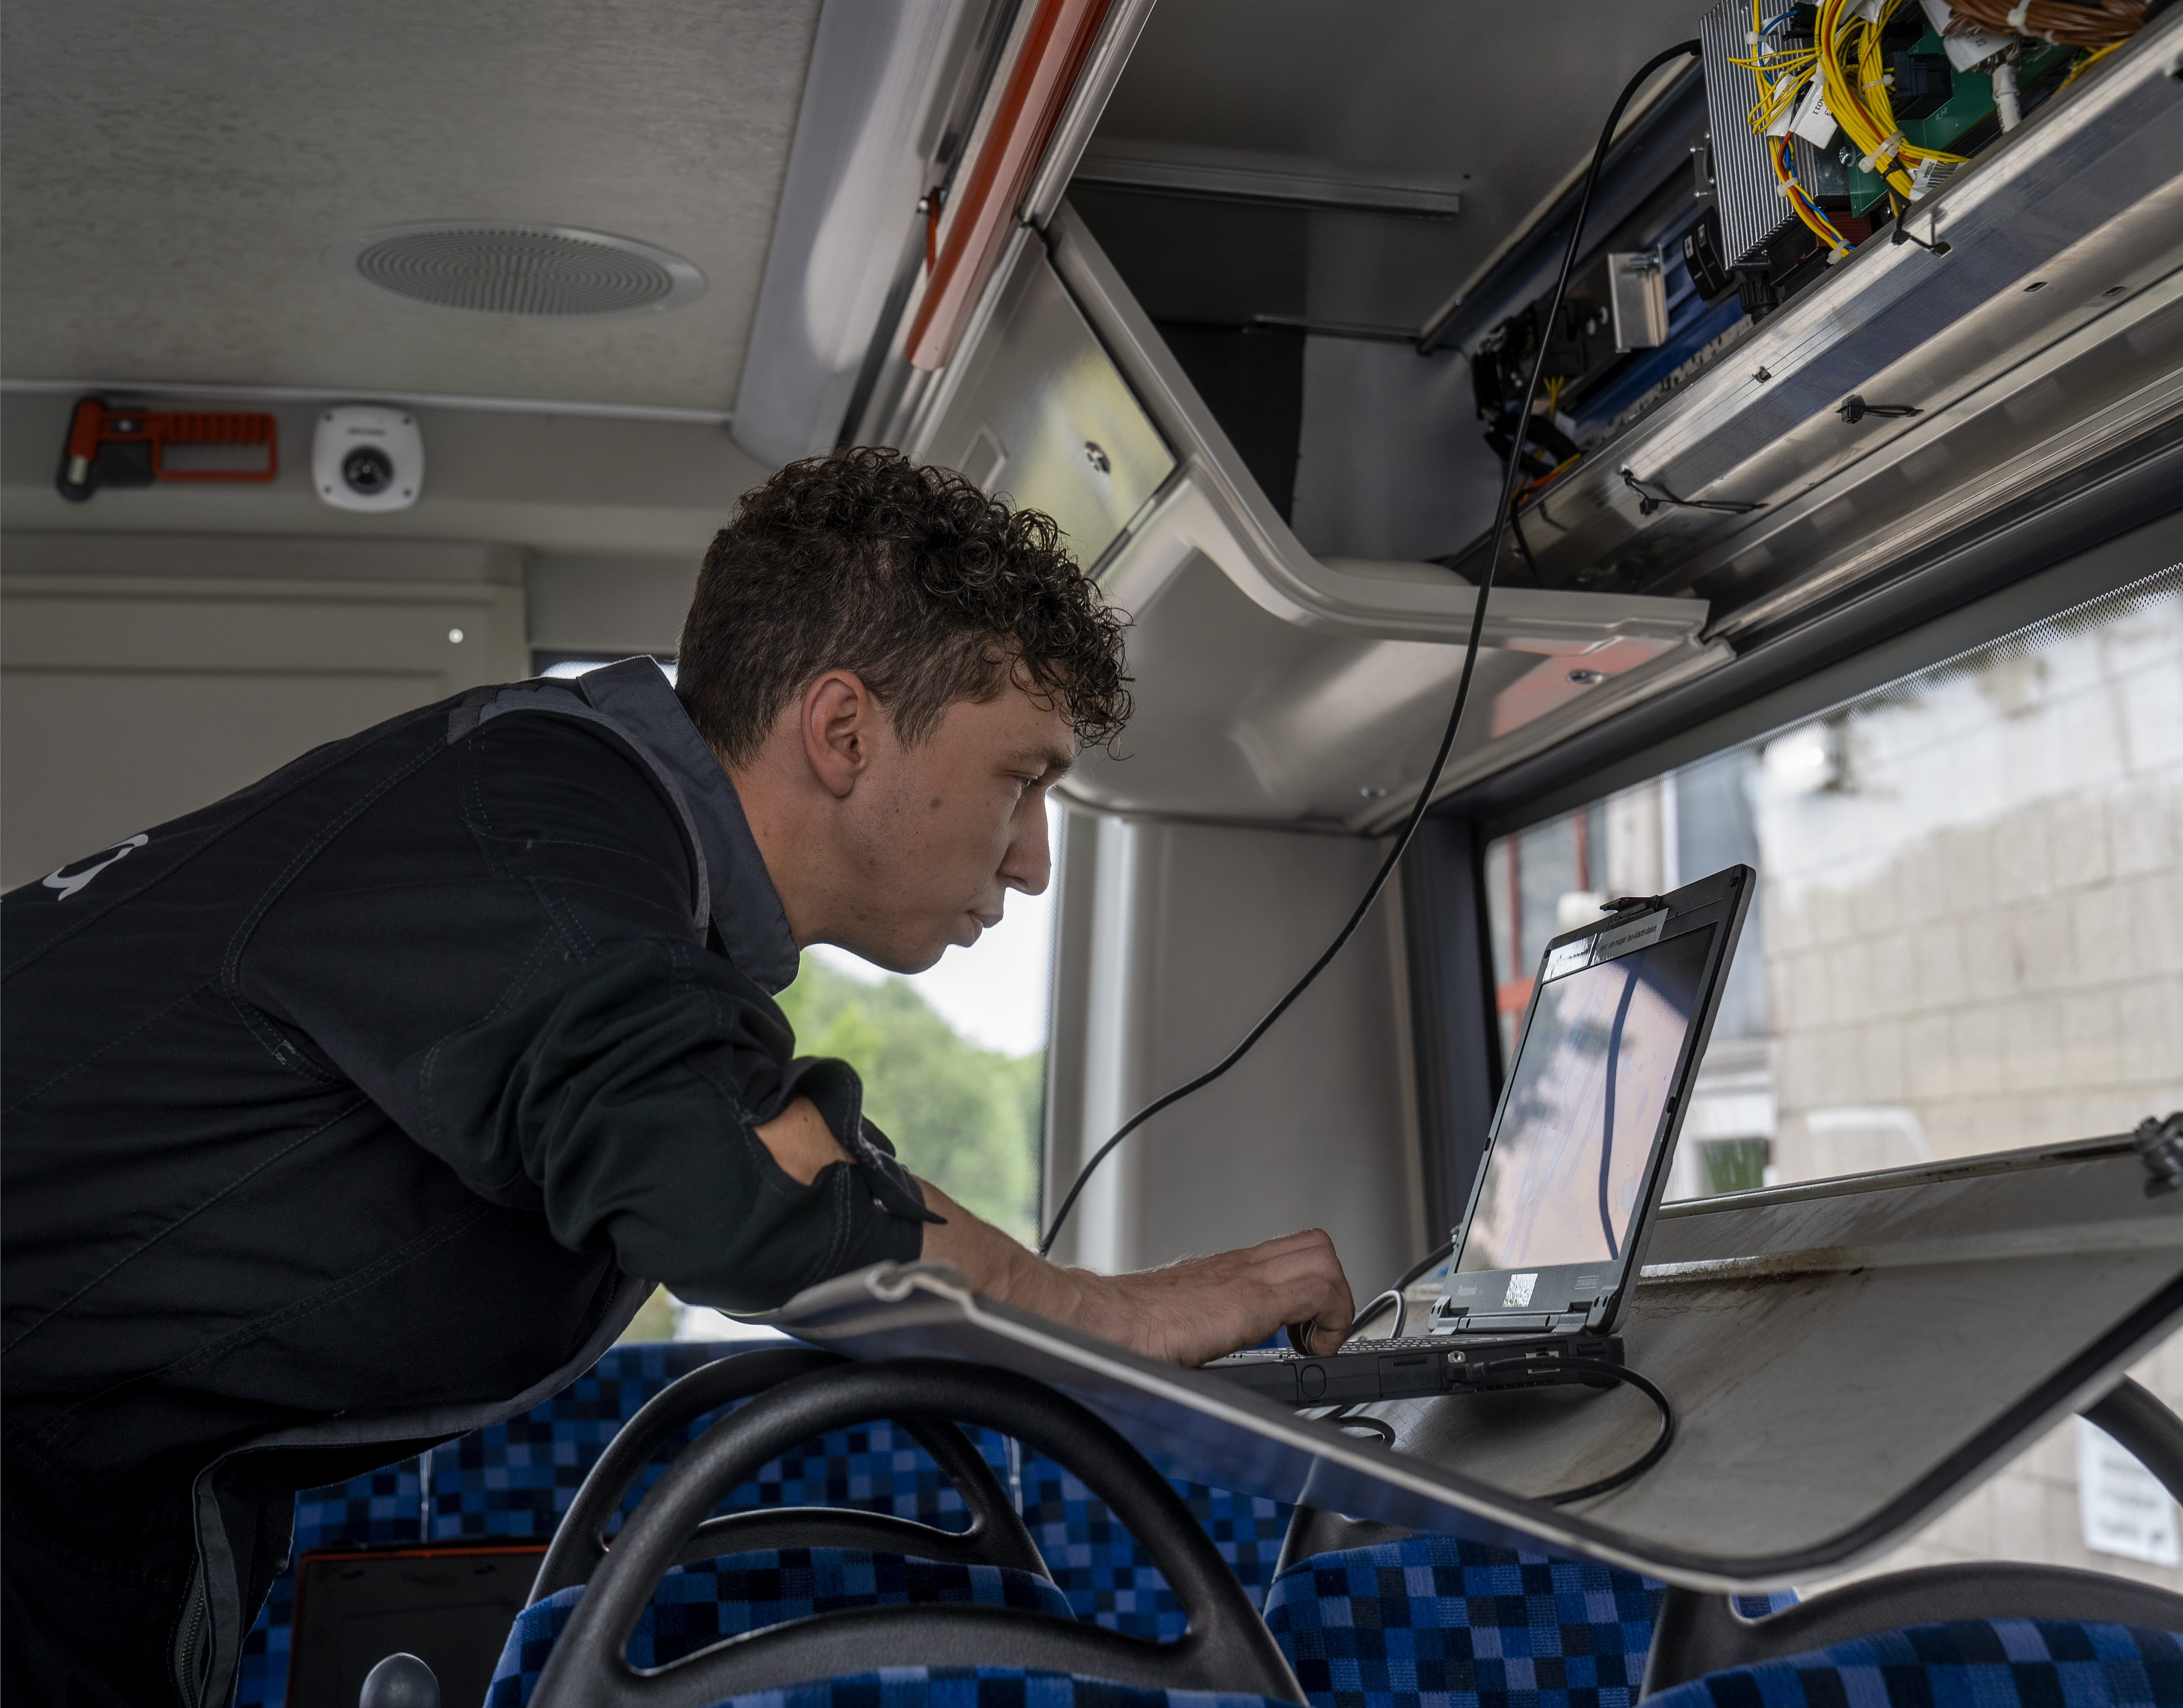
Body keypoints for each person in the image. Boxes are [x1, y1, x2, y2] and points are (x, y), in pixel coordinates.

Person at [0, 447, 1356, 1707]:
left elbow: (727, 1130)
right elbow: (750, 1191)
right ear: (843, 732)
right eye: (1021, 780)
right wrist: (1107, 1318)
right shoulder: (539, 848)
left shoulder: (578, 837)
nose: (1033, 860)